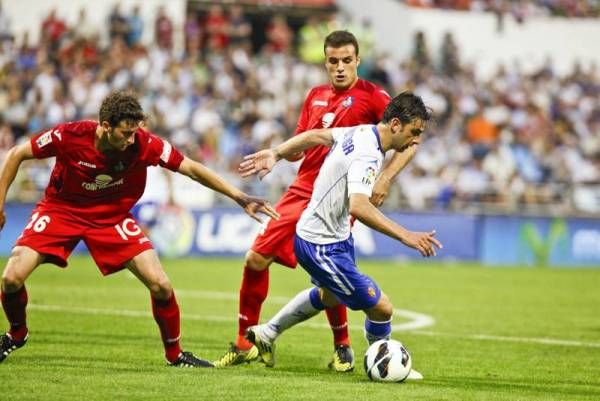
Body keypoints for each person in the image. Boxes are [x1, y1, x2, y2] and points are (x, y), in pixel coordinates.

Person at [0, 91, 279, 367]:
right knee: (11, 278)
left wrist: (239, 196)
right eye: (125, 133)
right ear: (105, 126)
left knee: (161, 285)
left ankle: (175, 355)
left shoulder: (145, 144)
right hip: (61, 210)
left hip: (113, 217)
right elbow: (16, 154)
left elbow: (191, 168)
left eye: (135, 132)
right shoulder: (70, 135)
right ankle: (17, 333)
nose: (131, 139)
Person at [214, 30, 420, 372]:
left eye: (346, 61)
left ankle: (337, 346)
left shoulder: (373, 96)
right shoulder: (315, 95)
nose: (339, 68)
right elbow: (306, 141)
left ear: (357, 61)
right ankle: (246, 342)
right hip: (302, 190)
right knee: (257, 260)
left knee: (330, 273)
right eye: (332, 61)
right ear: (325, 62)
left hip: (337, 197)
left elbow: (409, 139)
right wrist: (278, 155)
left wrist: (385, 178)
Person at [239, 92, 442, 377]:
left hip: (333, 237)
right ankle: (385, 364)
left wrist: (276, 153)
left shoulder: (362, 132)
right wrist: (406, 235)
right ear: (396, 125)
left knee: (330, 296)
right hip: (320, 245)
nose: (416, 140)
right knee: (382, 308)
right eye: (414, 132)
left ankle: (267, 333)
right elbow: (359, 205)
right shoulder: (369, 154)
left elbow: (318, 136)